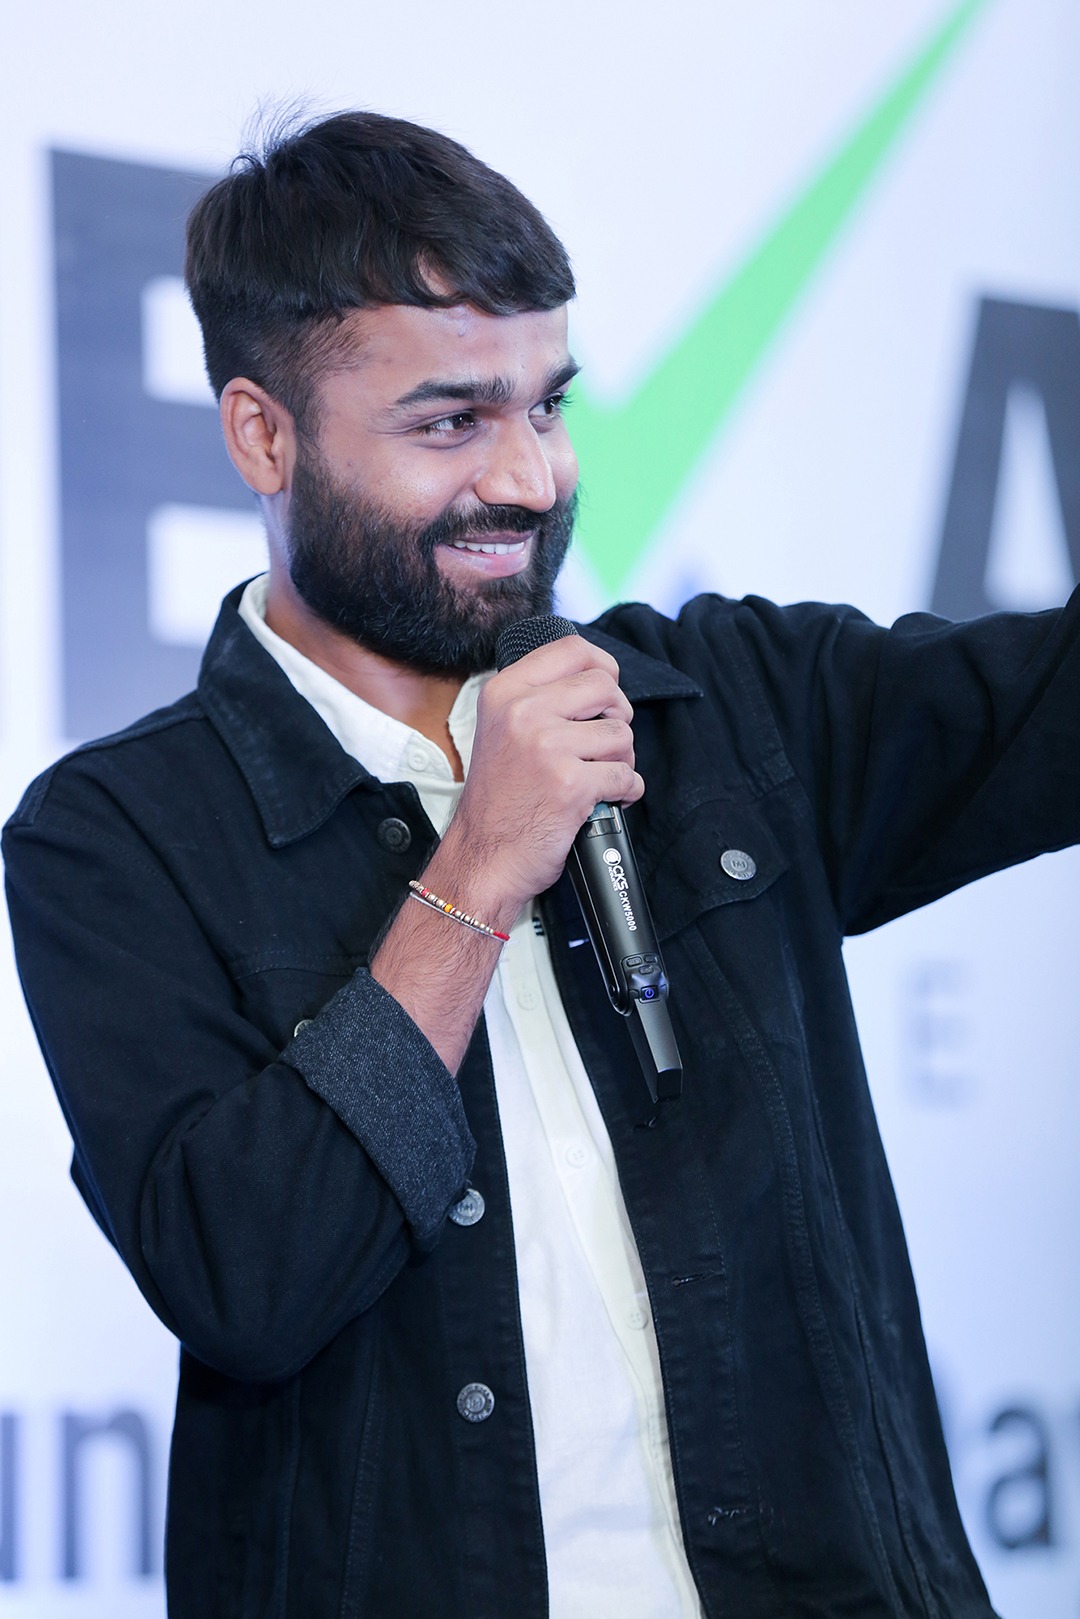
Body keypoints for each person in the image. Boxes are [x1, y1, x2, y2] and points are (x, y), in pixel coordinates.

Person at [4, 110, 1076, 1619]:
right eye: (451, 423)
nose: (526, 477)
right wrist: (481, 867)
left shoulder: (731, 708)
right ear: (263, 434)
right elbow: (248, 1280)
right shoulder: (114, 836)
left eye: (547, 406)